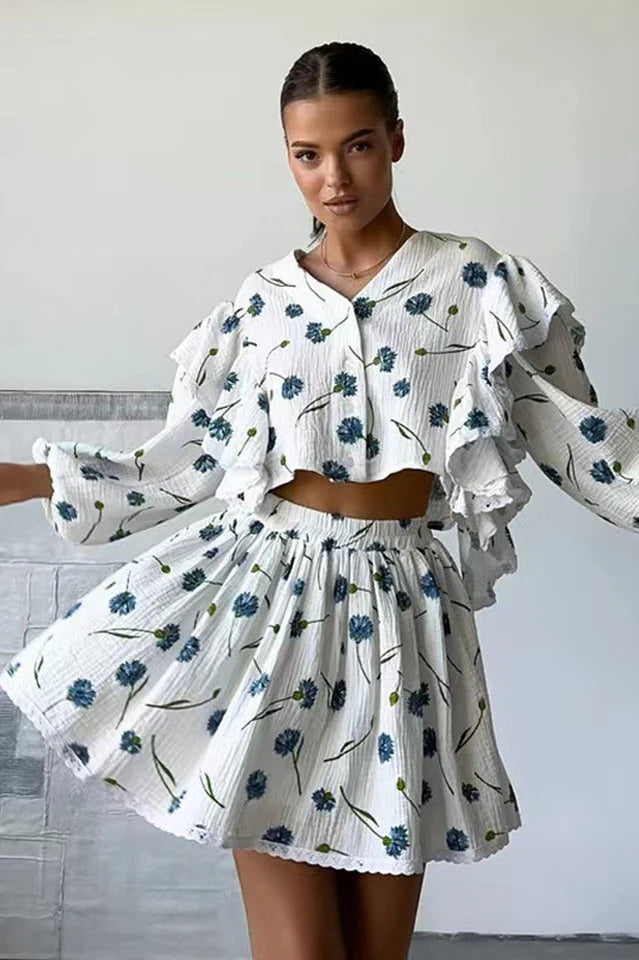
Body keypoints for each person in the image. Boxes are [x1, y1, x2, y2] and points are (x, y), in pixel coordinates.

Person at [1, 41, 638, 960]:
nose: (333, 178)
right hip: (265, 610)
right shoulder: (261, 303)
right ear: (287, 157)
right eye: (307, 155)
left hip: (405, 624)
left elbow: (579, 441)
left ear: (396, 141)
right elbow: (188, 458)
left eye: (358, 147)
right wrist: (27, 480)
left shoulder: (475, 283)